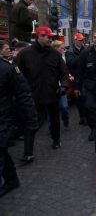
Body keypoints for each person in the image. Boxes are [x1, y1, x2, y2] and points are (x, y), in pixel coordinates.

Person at [17, 26, 69, 151]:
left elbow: (64, 72)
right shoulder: (25, 54)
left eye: (51, 37)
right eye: (47, 36)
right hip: (32, 94)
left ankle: (56, 140)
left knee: (54, 120)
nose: (50, 39)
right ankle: (28, 151)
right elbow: (18, 74)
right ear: (39, 36)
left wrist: (64, 86)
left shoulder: (55, 54)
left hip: (52, 93)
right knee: (31, 121)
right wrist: (22, 89)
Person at [0, 53, 38, 197]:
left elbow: (23, 93)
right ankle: (12, 180)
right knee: (2, 151)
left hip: (3, 118)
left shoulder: (7, 68)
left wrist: (31, 118)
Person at [65, 33, 87, 125]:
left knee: (86, 97)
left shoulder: (85, 49)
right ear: (75, 40)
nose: (81, 42)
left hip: (85, 77)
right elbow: (71, 63)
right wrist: (82, 57)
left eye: (82, 40)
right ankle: (82, 116)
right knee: (78, 99)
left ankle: (86, 116)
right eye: (79, 40)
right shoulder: (69, 51)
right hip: (76, 78)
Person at [51, 41, 70, 129]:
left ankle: (66, 120)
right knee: (51, 110)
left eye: (63, 48)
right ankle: (52, 127)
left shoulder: (64, 57)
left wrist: (69, 76)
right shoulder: (49, 57)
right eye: (61, 48)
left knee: (64, 106)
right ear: (55, 48)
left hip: (61, 86)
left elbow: (65, 71)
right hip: (51, 87)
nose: (63, 50)